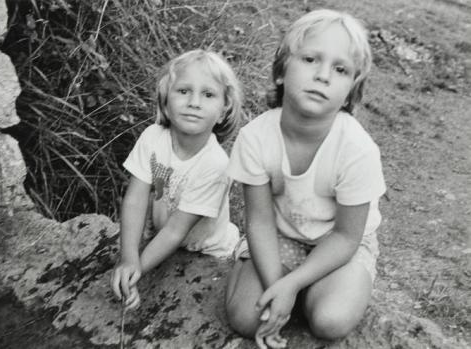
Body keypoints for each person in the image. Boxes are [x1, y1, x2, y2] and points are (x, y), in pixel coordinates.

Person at [225, 9, 386, 348]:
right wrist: (276, 286)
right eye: (311, 59)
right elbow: (260, 222)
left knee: (330, 320)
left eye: (340, 69)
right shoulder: (256, 137)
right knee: (245, 317)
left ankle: (323, 285)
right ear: (282, 69)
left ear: (351, 91)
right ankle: (286, 284)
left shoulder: (357, 149)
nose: (323, 75)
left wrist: (292, 283)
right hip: (281, 236)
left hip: (338, 245)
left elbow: (345, 235)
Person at [111, 49, 243, 309]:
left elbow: (177, 230)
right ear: (165, 101)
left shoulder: (215, 164)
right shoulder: (153, 137)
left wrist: (138, 270)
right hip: (164, 234)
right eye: (183, 91)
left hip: (206, 250)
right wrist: (128, 257)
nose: (194, 102)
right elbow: (136, 199)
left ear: (224, 109)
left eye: (208, 94)